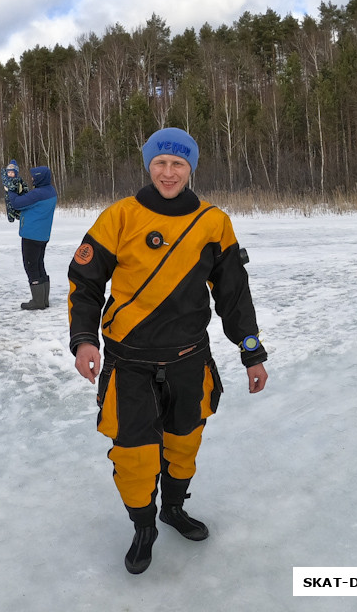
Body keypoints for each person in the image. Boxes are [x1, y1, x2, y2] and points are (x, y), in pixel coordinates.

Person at [67, 127, 268, 575]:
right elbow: (84, 285)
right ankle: (143, 527)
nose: (169, 172)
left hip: (188, 360)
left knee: (183, 445)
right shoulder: (119, 217)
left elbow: (234, 294)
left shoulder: (213, 222)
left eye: (178, 164)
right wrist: (84, 339)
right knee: (134, 456)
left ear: (191, 169)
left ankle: (172, 509)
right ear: (148, 166)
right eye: (161, 163)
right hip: (128, 363)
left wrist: (251, 351)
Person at [7, 165, 57, 310]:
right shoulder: (50, 191)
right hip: (42, 234)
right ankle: (44, 300)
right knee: (39, 264)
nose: (32, 178)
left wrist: (10, 190)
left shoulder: (38, 194)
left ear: (40, 177)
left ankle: (37, 301)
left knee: (31, 267)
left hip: (31, 235)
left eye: (34, 176)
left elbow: (16, 203)